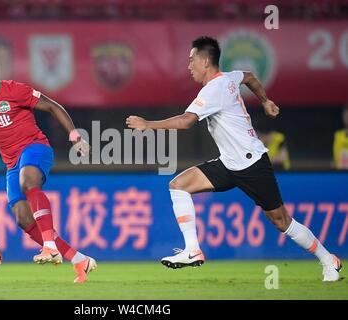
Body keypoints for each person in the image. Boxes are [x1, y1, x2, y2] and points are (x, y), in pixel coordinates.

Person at [126, 36, 341, 281]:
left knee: (281, 222)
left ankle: (328, 259)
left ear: (205, 61)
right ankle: (192, 250)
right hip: (229, 163)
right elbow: (248, 76)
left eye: (191, 60)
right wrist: (265, 100)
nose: (188, 66)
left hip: (252, 164)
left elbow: (186, 122)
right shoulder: (228, 78)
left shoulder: (213, 89)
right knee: (178, 185)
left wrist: (147, 124)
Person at [0, 56, 96, 283]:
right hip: (11, 164)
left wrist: (75, 138)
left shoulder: (14, 90)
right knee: (23, 218)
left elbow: (54, 107)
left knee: (28, 184)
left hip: (35, 148)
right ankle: (79, 260)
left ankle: (49, 246)